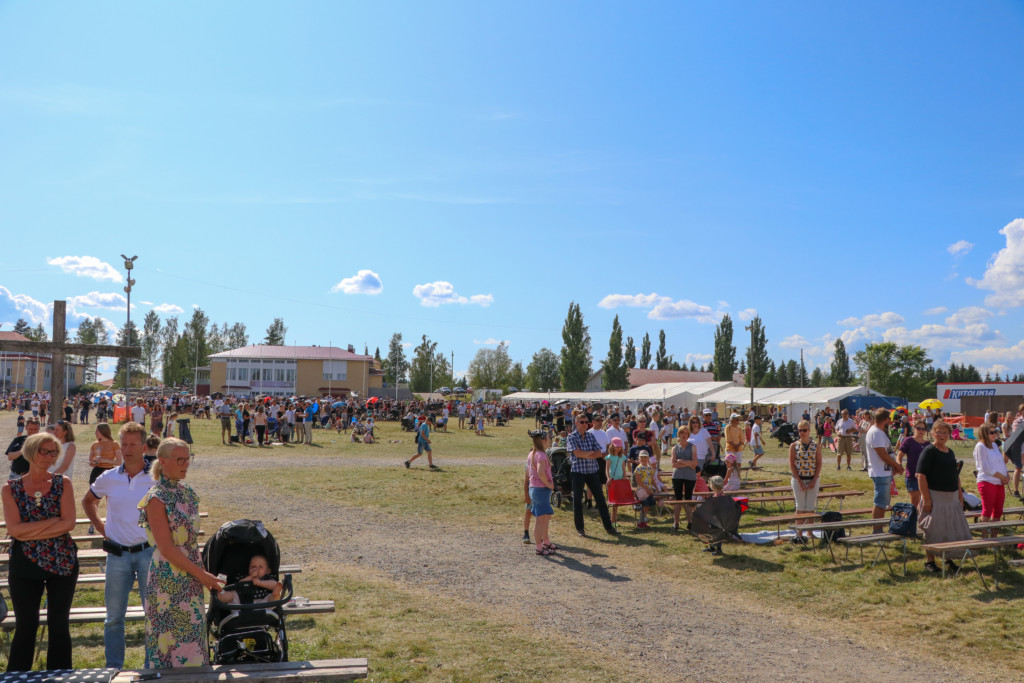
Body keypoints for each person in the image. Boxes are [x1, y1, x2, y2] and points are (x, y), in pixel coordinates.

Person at [139, 438, 224, 668]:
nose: (185, 464)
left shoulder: (188, 493)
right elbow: (166, 548)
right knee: (170, 646)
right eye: (180, 460)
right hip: (168, 579)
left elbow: (191, 542)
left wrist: (203, 574)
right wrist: (201, 574)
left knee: (193, 644)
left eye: (188, 459)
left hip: (192, 575)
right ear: (163, 461)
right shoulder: (155, 498)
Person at [2, 432, 78, 671]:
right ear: (31, 452)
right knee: (26, 625)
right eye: (44, 451)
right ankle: (17, 676)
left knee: (59, 625)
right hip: (24, 563)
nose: (49, 456)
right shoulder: (10, 488)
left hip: (62, 561)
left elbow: (69, 523)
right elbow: (14, 530)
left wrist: (29, 532)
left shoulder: (63, 483)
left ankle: (60, 675)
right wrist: (53, 522)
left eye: (53, 452)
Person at [82, 421, 156, 669]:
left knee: (153, 615)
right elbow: (88, 501)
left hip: (148, 553)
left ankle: (151, 666)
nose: (127, 449)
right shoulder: (109, 477)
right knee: (113, 618)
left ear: (144, 447)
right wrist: (103, 529)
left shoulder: (157, 477)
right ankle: (114, 668)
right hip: (117, 555)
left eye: (133, 444)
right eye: (124, 444)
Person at [917, 421, 971, 573]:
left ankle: (948, 558)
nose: (942, 435)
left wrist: (960, 497)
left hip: (951, 498)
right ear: (933, 433)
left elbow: (956, 476)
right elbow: (920, 476)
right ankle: (930, 561)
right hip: (935, 497)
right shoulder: (929, 451)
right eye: (939, 432)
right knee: (933, 529)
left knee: (949, 530)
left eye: (945, 432)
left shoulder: (950, 452)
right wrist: (926, 499)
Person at [567, 413, 617, 537]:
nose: (585, 424)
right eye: (582, 422)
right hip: (578, 471)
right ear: (576, 423)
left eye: (586, 422)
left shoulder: (590, 436)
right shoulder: (572, 437)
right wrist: (590, 454)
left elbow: (599, 453)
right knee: (577, 501)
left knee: (600, 499)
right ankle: (580, 528)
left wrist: (585, 454)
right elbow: (577, 454)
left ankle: (609, 527)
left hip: (592, 471)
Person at [866, 409, 903, 533]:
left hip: (884, 472)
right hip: (880, 473)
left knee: (883, 504)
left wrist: (894, 467)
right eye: (889, 419)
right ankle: (877, 532)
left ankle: (879, 530)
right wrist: (897, 466)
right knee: (879, 504)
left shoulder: (879, 432)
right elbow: (882, 454)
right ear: (886, 419)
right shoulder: (875, 432)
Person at [788, 420, 822, 544]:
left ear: (809, 431)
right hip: (798, 479)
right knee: (800, 507)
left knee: (810, 507)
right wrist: (799, 481)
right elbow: (792, 464)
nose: (802, 432)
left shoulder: (816, 445)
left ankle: (810, 531)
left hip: (812, 478)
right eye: (800, 430)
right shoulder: (794, 445)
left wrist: (814, 479)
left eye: (804, 430)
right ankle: (799, 532)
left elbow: (819, 463)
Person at [973, 423, 1009, 538]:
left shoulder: (994, 445)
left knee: (998, 511)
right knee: (987, 510)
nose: (995, 434)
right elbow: (985, 468)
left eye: (995, 432)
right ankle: (985, 539)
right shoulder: (980, 446)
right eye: (991, 432)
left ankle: (994, 538)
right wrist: (1001, 477)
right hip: (987, 481)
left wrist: (1007, 475)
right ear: (984, 433)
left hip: (999, 482)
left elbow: (1001, 462)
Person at [525, 430, 557, 555]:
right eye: (548, 437)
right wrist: (549, 484)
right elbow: (540, 472)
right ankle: (539, 546)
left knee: (545, 517)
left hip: (534, 489)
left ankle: (546, 541)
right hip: (541, 489)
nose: (550, 439)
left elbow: (529, 472)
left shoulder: (532, 453)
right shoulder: (541, 455)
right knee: (540, 519)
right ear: (543, 440)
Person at [216, 554, 283, 605]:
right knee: (232, 594)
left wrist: (260, 582)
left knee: (274, 596)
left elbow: (274, 585)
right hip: (241, 602)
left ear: (267, 571)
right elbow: (238, 585)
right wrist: (251, 577)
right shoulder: (245, 577)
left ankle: (275, 594)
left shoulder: (267, 577)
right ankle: (220, 595)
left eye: (260, 566)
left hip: (263, 602)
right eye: (253, 566)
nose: (256, 568)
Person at [670, 426, 698, 531]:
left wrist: (681, 461)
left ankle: (690, 521)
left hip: (690, 476)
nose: (684, 435)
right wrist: (688, 464)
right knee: (678, 500)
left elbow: (695, 463)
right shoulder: (674, 448)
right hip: (677, 476)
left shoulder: (693, 447)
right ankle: (676, 522)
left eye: (686, 433)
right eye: (682, 433)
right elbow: (674, 464)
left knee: (688, 499)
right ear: (679, 434)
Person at [897, 420, 929, 508]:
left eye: (923, 429)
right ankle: (913, 516)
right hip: (912, 475)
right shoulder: (908, 440)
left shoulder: (928, 444)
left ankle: (920, 516)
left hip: (925, 476)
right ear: (914, 428)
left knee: (923, 501)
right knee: (915, 499)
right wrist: (899, 464)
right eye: (918, 428)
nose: (921, 431)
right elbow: (899, 455)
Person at [632, 451, 656, 529]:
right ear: (639, 458)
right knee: (645, 505)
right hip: (642, 490)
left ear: (648, 458)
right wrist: (646, 489)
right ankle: (640, 522)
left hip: (649, 489)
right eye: (641, 457)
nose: (643, 459)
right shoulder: (638, 468)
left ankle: (643, 521)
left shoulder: (650, 468)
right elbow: (638, 481)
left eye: (645, 457)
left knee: (647, 506)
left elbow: (652, 479)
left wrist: (657, 488)